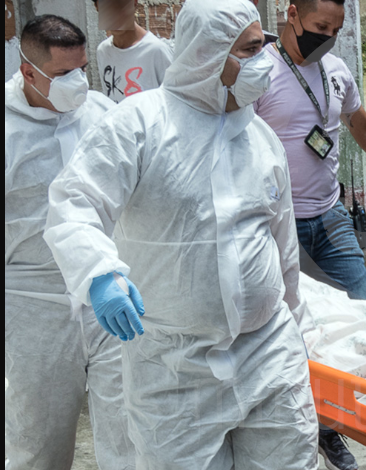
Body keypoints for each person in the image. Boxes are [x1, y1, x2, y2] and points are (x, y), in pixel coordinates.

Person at [43, 1, 320, 468]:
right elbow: (75, 203)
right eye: (251, 50)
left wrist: (298, 326)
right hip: (173, 370)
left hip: (268, 356)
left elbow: (282, 246)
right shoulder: (140, 124)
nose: (263, 62)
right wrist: (99, 272)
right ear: (211, 54)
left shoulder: (260, 138)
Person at [253, 0, 366, 467]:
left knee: (363, 316)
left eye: (335, 28)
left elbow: (362, 128)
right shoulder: (259, 73)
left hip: (330, 219)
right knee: (297, 334)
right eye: (318, 26)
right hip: (276, 226)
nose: (325, 36)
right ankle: (308, 428)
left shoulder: (336, 72)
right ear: (291, 14)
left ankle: (337, 425)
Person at [5, 15, 135, 470]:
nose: (78, 83)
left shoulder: (102, 116)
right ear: (28, 71)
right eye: (63, 75)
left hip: (109, 299)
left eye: (83, 69)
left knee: (129, 432)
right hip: (32, 306)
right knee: (37, 439)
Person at [92, 0, 173, 103]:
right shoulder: (103, 51)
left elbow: (174, 102)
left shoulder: (156, 50)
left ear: (134, 2)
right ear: (97, 7)